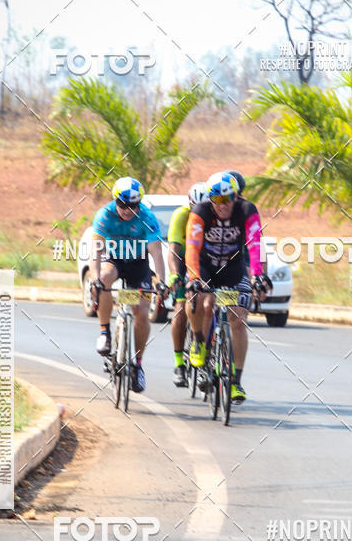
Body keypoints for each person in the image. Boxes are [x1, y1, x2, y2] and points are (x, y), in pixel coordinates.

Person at [184, 171, 272, 404]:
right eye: (217, 200)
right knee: (197, 300)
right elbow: (192, 247)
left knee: (239, 319)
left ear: (236, 196)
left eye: (228, 199)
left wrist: (258, 276)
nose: (223, 205)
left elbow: (255, 244)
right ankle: (199, 341)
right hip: (206, 266)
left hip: (233, 268)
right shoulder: (200, 211)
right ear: (210, 199)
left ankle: (236, 381)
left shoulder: (247, 210)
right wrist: (193, 277)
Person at [90, 176, 167, 393]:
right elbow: (96, 251)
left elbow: (157, 254)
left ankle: (137, 365)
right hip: (113, 260)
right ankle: (105, 332)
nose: (126, 210)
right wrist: (95, 278)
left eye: (132, 205)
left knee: (142, 313)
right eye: (122, 204)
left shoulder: (147, 217)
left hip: (138, 264)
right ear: (116, 201)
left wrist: (161, 282)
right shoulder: (105, 215)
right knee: (104, 279)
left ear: (139, 204)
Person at [167, 182, 208, 387]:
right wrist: (175, 275)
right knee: (181, 310)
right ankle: (178, 363)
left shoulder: (215, 216)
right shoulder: (181, 215)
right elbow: (174, 249)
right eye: (196, 207)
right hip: (184, 262)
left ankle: (210, 351)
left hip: (208, 263)